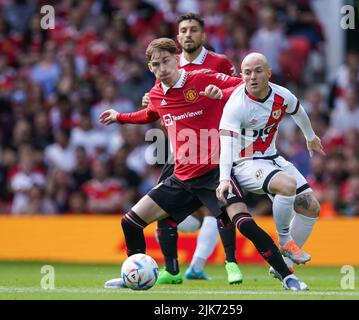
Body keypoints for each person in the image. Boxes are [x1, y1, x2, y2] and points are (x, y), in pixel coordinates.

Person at [100, 38, 308, 291]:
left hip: (214, 173)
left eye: (166, 61)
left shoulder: (202, 78)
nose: (162, 68)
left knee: (244, 223)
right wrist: (119, 117)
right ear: (151, 69)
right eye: (156, 65)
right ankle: (132, 275)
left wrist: (221, 93)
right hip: (182, 178)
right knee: (130, 222)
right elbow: (150, 114)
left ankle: (287, 276)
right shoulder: (155, 94)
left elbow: (245, 84)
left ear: (177, 59)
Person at [140, 13, 242, 284]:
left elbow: (236, 95)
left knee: (218, 208)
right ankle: (173, 268)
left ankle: (212, 263)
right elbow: (158, 106)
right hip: (178, 152)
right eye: (183, 30)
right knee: (166, 210)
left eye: (193, 30)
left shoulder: (219, 62)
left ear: (203, 35)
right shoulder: (165, 62)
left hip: (213, 148)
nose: (188, 35)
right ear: (177, 38)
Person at [216, 52, 325, 280]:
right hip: (244, 163)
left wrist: (310, 136)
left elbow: (298, 111)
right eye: (247, 73)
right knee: (287, 185)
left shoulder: (281, 95)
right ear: (242, 75)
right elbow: (225, 145)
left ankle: (280, 265)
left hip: (271, 158)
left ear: (268, 73)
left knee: (311, 207)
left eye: (257, 71)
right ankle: (284, 241)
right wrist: (224, 178)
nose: (252, 77)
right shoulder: (236, 105)